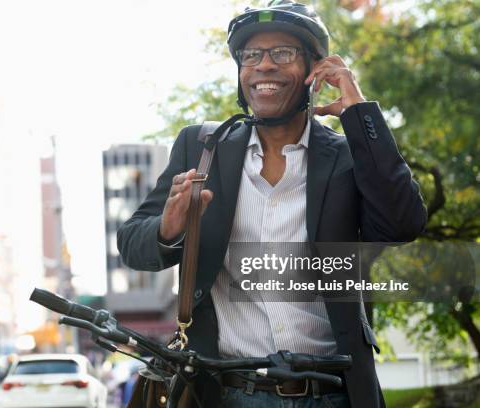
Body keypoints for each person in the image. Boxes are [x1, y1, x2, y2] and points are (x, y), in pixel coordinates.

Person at [117, 1, 427, 407]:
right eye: (251, 55)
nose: (264, 65)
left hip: (331, 391)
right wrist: (168, 228)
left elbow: (403, 223)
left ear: (315, 72)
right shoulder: (200, 146)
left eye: (282, 53)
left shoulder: (349, 156)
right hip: (228, 391)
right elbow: (131, 244)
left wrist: (359, 112)